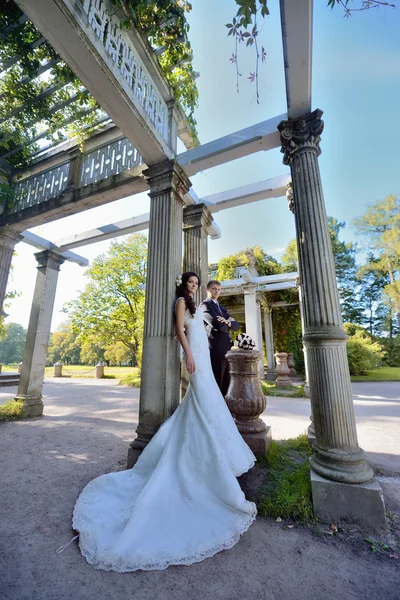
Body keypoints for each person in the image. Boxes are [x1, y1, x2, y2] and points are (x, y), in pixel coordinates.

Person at [72, 272, 256, 572]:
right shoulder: (181, 302)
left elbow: (195, 330)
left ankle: (215, 451)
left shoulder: (196, 305)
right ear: (184, 285)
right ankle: (204, 454)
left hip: (204, 356)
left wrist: (200, 349)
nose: (194, 286)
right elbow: (179, 331)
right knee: (201, 400)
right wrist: (187, 355)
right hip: (194, 356)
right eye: (191, 282)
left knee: (203, 402)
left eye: (197, 283)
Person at [199, 280, 240, 397]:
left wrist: (227, 322)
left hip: (227, 349)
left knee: (226, 382)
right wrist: (229, 323)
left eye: (218, 289)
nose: (216, 291)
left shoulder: (222, 308)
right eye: (213, 289)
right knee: (216, 380)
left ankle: (224, 410)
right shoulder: (205, 305)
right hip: (215, 349)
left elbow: (237, 326)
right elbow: (216, 324)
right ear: (207, 290)